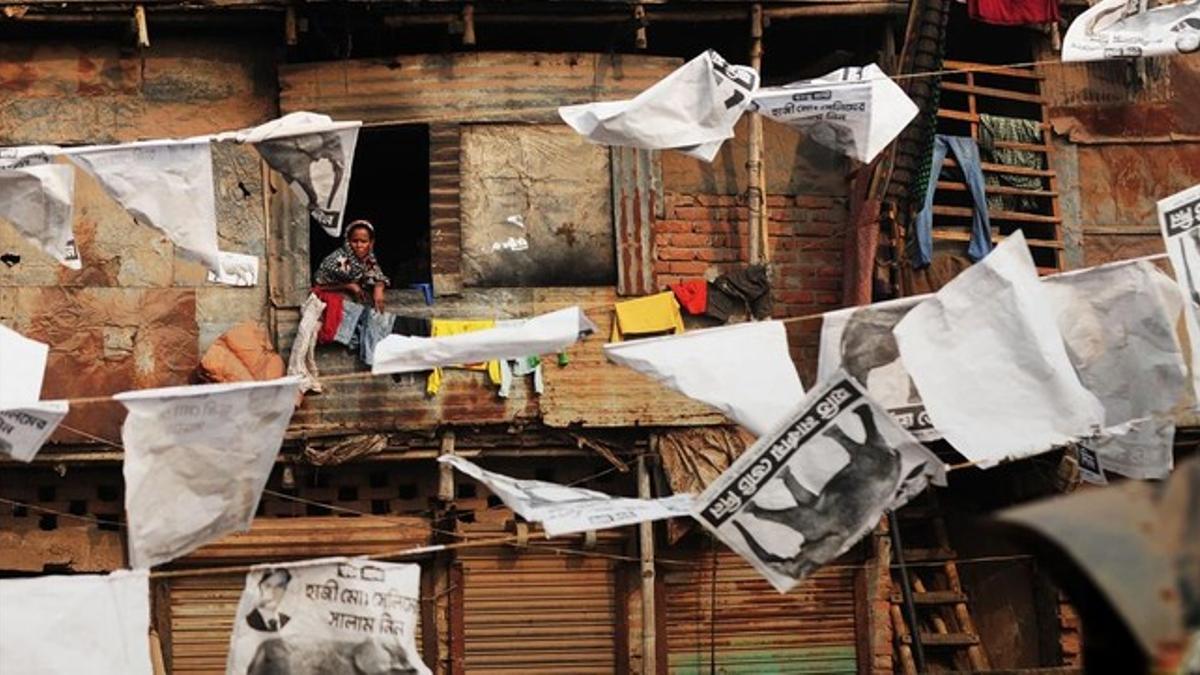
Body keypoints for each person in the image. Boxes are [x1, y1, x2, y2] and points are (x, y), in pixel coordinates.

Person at [314, 220, 390, 312]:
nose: (359, 245)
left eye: (364, 241)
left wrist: (379, 287)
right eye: (354, 241)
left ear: (371, 242)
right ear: (348, 241)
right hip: (332, 307)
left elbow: (377, 276)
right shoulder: (339, 259)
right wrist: (349, 286)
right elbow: (318, 286)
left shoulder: (369, 260)